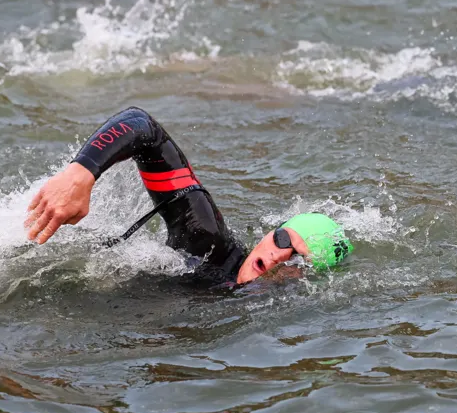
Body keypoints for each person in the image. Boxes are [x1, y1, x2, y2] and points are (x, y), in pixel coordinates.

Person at [24, 107, 353, 286]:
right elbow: (144, 127)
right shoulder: (207, 242)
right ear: (271, 232)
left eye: (297, 259)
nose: (280, 256)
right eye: (283, 240)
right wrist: (81, 173)